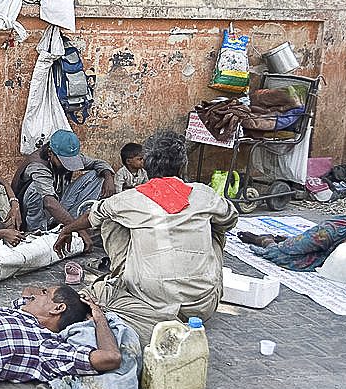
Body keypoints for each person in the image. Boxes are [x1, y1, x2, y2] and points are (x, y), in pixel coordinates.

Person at [52, 130, 238, 343]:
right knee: (217, 225)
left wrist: (66, 229)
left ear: (146, 166)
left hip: (150, 300)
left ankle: (123, 278)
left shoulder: (129, 199)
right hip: (203, 304)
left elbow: (91, 216)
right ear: (182, 166)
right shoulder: (204, 194)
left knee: (110, 217)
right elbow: (231, 219)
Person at [10, 129, 116, 251]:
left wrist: (108, 177)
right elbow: (49, 203)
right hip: (37, 211)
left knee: (97, 176)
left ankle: (73, 224)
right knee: (35, 189)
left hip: (58, 205)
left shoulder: (68, 154)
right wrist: (79, 230)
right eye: (64, 161)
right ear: (50, 152)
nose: (68, 165)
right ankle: (38, 234)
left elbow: (98, 163)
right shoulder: (37, 165)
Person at [237, 215, 346, 294]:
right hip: (345, 232)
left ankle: (266, 241)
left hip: (330, 259)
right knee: (298, 245)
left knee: (282, 257)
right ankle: (287, 241)